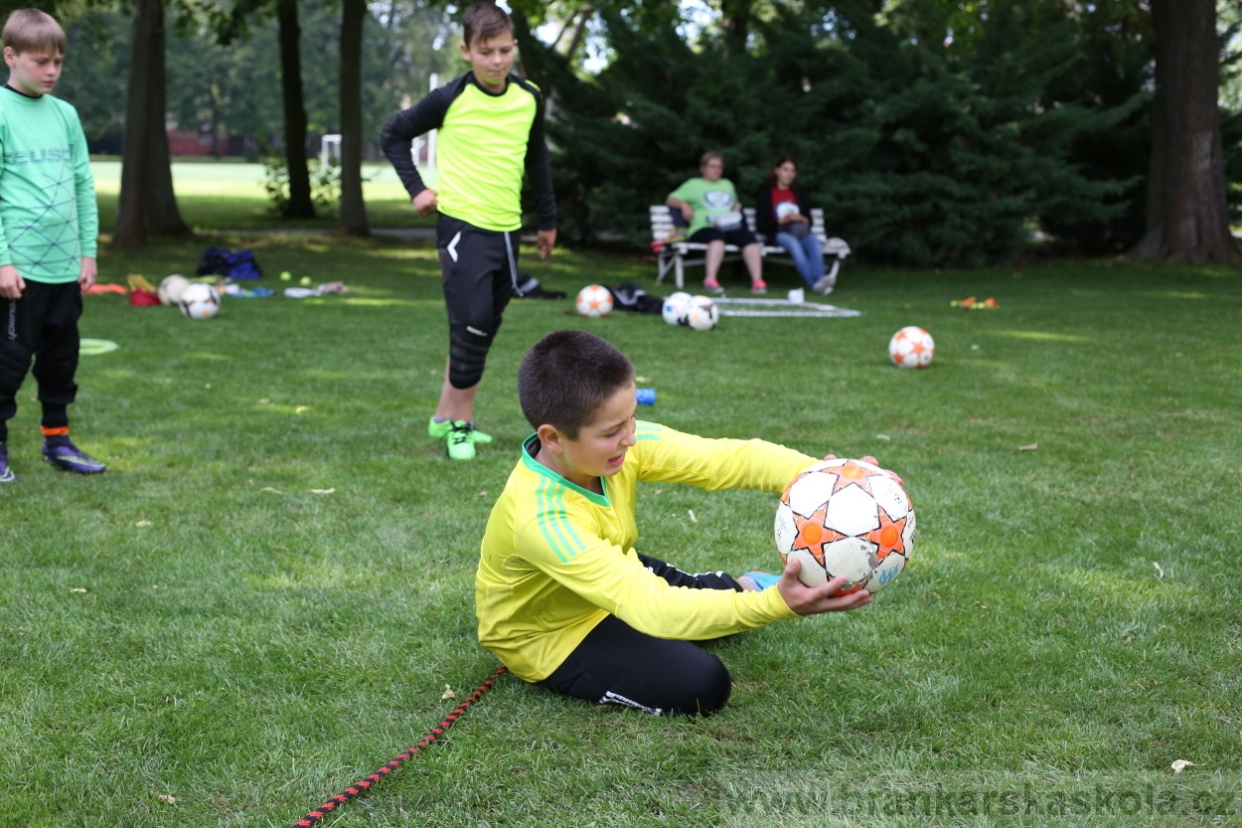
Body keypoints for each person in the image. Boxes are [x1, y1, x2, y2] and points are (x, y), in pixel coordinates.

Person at [476, 329, 880, 716]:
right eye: (613, 431)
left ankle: (733, 587)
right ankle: (736, 592)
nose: (630, 437)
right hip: (550, 635)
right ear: (553, 438)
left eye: (632, 418)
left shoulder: (618, 446)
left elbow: (723, 459)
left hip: (611, 576)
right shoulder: (541, 519)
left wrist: (829, 478)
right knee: (702, 684)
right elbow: (654, 609)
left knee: (697, 603)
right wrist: (778, 605)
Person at [380, 1, 556, 461]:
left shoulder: (529, 98)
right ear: (466, 51)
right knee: (472, 322)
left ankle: (444, 415)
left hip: (507, 231)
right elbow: (393, 134)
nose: (496, 61)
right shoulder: (450, 97)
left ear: (514, 46)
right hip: (462, 226)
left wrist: (548, 220)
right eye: (485, 52)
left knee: (482, 326)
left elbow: (538, 160)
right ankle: (461, 425)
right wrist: (417, 189)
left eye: (503, 50)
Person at [0, 8, 104, 484]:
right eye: (41, 61)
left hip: (66, 266)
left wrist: (88, 251)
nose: (52, 71)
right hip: (19, 270)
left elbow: (83, 185)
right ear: (10, 56)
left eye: (58, 61)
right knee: (9, 363)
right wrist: (1, 260)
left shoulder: (65, 114)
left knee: (61, 361)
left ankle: (57, 440)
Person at [666, 152, 767, 295]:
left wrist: (736, 207)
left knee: (750, 240)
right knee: (717, 238)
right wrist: (683, 204)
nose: (717, 170)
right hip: (703, 227)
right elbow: (670, 200)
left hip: (729, 225)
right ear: (703, 168)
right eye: (713, 166)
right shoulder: (692, 184)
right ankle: (710, 280)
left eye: (720, 167)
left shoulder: (727, 184)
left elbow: (734, 202)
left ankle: (757, 282)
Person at [754, 155, 834, 295]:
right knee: (794, 245)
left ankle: (820, 280)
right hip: (779, 233)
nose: (789, 174)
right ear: (777, 171)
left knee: (814, 243)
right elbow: (760, 225)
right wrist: (781, 221)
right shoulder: (766, 194)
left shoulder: (799, 194)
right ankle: (815, 283)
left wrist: (800, 217)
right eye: (786, 169)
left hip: (800, 231)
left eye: (793, 171)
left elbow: (809, 221)